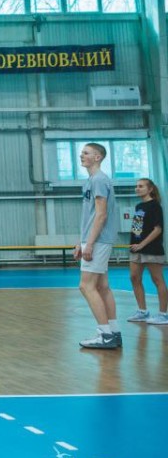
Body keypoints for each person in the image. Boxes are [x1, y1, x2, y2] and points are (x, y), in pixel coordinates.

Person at [75, 143, 121, 349]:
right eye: (81, 153)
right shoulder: (91, 180)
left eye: (86, 153)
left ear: (98, 157)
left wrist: (90, 243)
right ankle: (114, 332)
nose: (81, 155)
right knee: (102, 287)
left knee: (86, 286)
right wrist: (81, 241)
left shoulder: (99, 180)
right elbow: (90, 215)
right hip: (94, 238)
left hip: (99, 239)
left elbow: (101, 215)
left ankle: (105, 335)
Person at [127, 177, 167, 325]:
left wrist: (142, 244)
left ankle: (163, 314)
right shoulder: (139, 206)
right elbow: (137, 229)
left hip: (151, 248)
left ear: (150, 189)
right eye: (137, 186)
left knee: (157, 280)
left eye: (141, 186)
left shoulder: (155, 206)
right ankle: (142, 312)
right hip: (136, 249)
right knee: (134, 277)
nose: (137, 188)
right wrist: (134, 243)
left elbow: (158, 229)